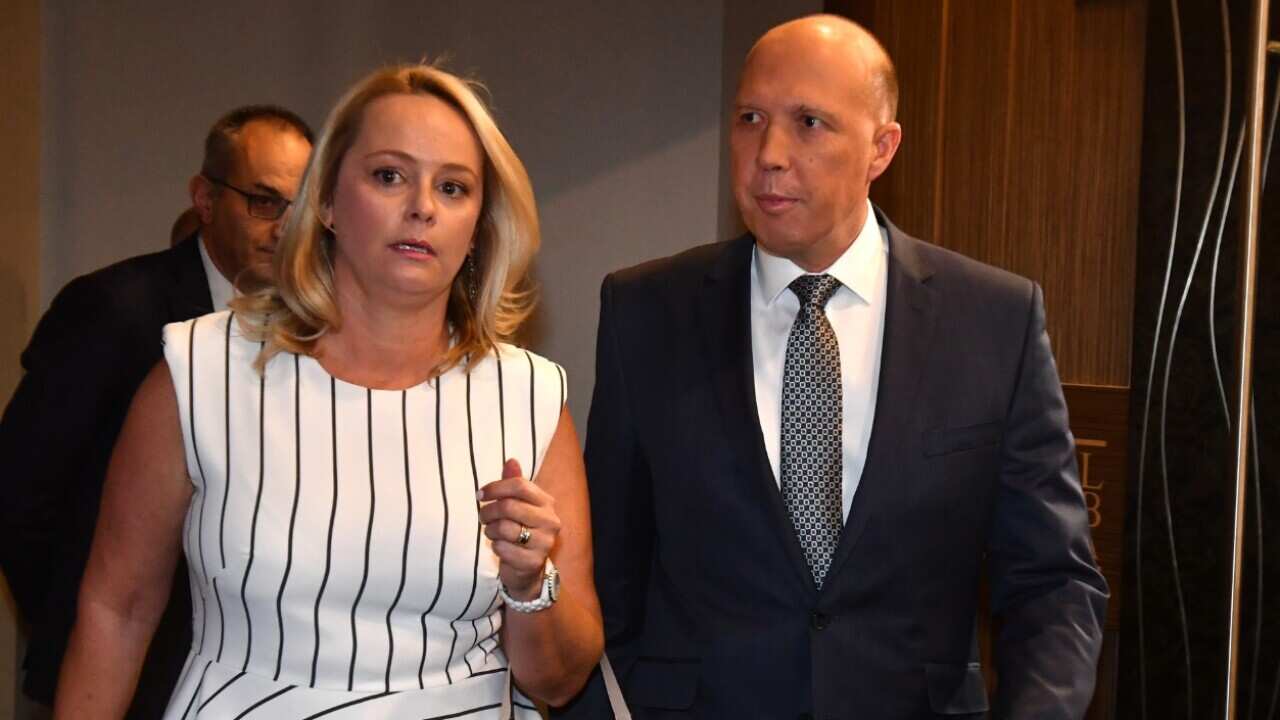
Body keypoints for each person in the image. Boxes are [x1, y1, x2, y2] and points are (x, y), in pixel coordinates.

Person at [562, 15, 1107, 719]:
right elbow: (605, 574)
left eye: (810, 123)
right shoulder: (646, 312)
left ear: (882, 147)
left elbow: (1052, 583)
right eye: (750, 118)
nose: (769, 153)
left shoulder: (993, 321)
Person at [53, 63, 603, 719]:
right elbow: (117, 609)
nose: (422, 206)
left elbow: (558, 683)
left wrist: (528, 581)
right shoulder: (201, 370)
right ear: (329, 203)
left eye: (453, 187)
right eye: (389, 175)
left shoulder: (528, 397)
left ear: (479, 226)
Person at [0, 104, 312, 718]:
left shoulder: (311, 327)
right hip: (114, 678)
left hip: (250, 679)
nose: (284, 227)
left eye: (300, 208)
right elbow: (18, 492)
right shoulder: (113, 309)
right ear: (204, 198)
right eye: (264, 201)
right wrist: (76, 618)